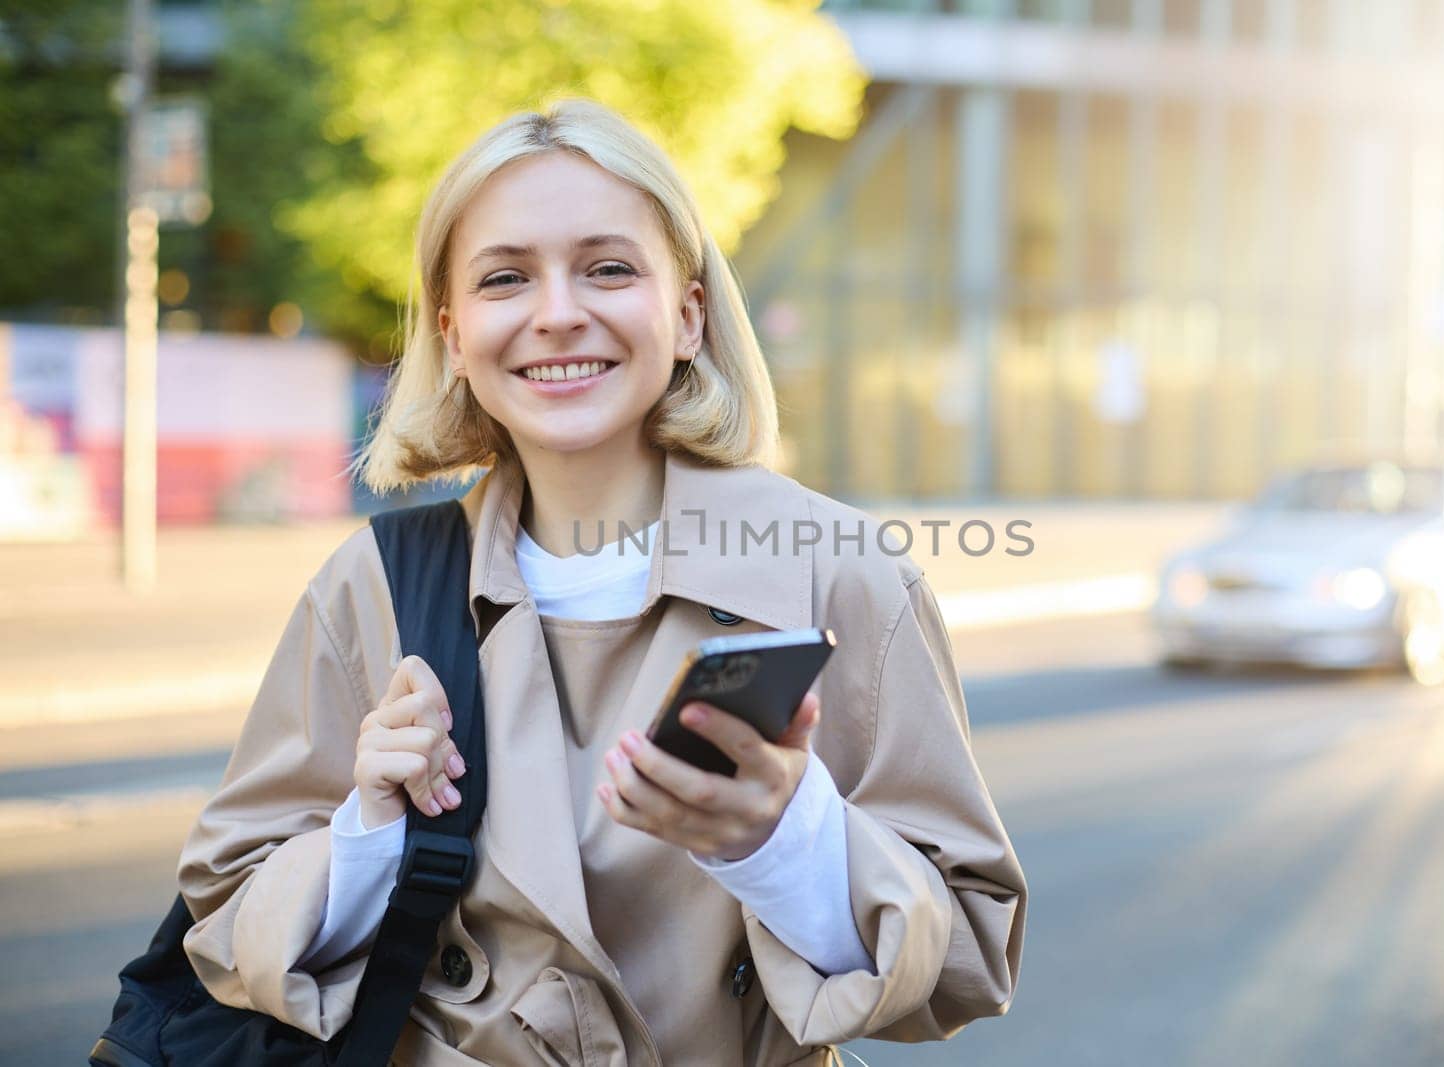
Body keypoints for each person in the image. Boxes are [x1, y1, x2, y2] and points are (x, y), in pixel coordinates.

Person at [177, 99, 1026, 1066]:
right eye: (506, 278)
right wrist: (369, 832)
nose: (558, 313)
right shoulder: (371, 585)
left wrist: (782, 838)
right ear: (456, 339)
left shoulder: (839, 572)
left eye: (609, 268)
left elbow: (966, 953)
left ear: (689, 315)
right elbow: (227, 922)